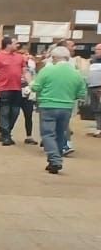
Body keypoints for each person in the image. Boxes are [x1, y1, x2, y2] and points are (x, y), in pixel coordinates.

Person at [32, 44, 86, 173]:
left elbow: (36, 87)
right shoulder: (76, 73)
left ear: (54, 57)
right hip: (66, 107)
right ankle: (55, 160)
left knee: (48, 134)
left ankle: (55, 160)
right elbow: (81, 94)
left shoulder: (47, 70)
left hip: (47, 105)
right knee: (61, 133)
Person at [0, 36, 30, 145]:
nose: (17, 45)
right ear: (8, 44)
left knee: (15, 112)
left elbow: (25, 71)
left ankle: (6, 131)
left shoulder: (19, 57)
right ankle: (6, 136)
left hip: (17, 88)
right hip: (3, 88)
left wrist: (30, 83)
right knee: (4, 111)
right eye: (15, 43)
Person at [87, 45, 101, 137]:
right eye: (96, 49)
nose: (96, 51)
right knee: (96, 109)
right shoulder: (92, 61)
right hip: (92, 87)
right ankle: (99, 128)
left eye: (99, 49)